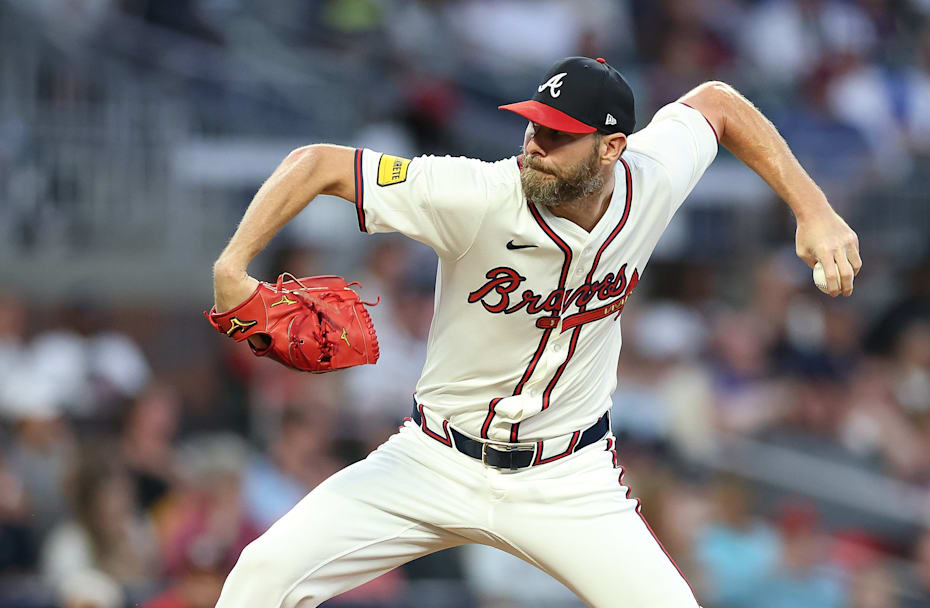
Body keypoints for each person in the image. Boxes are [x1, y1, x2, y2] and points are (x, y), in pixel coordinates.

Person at [209, 56, 861, 608]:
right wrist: (232, 267)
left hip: (568, 477)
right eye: (534, 125)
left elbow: (717, 102)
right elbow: (318, 163)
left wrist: (815, 210)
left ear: (611, 148)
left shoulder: (653, 180)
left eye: (558, 135)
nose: (535, 145)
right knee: (262, 575)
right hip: (432, 460)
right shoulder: (474, 195)